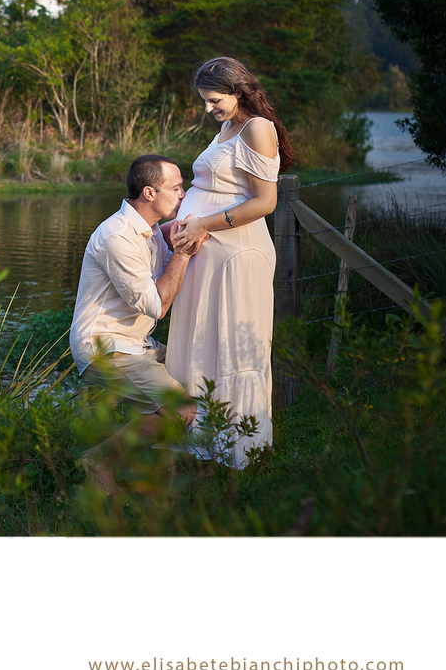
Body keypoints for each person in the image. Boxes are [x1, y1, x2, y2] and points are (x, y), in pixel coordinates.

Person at [166, 56, 296, 468]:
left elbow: (265, 201)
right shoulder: (227, 127)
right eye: (205, 101)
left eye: (214, 100)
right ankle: (203, 440)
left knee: (234, 347)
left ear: (238, 91)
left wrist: (203, 222)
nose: (208, 109)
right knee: (202, 339)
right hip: (209, 256)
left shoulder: (258, 128)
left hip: (238, 255)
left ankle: (241, 448)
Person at [69, 154, 206, 495]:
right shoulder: (116, 237)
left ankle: (183, 465)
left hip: (135, 343)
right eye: (176, 187)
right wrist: (183, 253)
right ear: (149, 192)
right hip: (105, 347)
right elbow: (157, 305)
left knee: (196, 369)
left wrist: (174, 236)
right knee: (179, 411)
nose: (183, 193)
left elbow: (161, 253)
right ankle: (99, 460)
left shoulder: (146, 231)